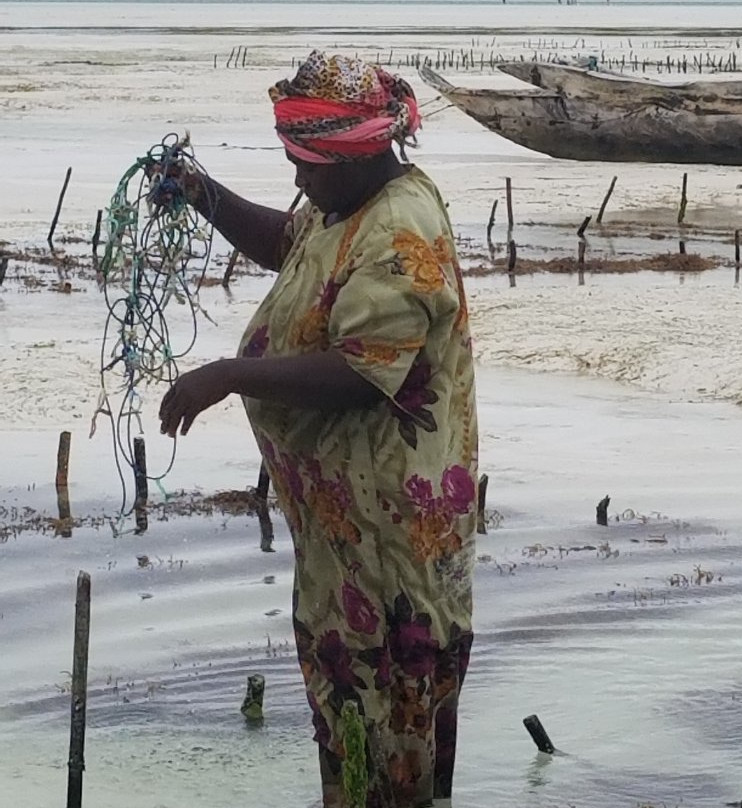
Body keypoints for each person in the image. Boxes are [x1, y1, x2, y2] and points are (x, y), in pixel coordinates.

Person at [158, 50, 478, 808]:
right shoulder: (348, 205)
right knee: (351, 734)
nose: (298, 180)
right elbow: (293, 243)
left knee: (393, 740)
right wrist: (203, 193)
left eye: (306, 164)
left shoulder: (401, 231)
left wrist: (227, 376)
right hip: (346, 544)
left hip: (391, 546)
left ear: (358, 152)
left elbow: (363, 373)